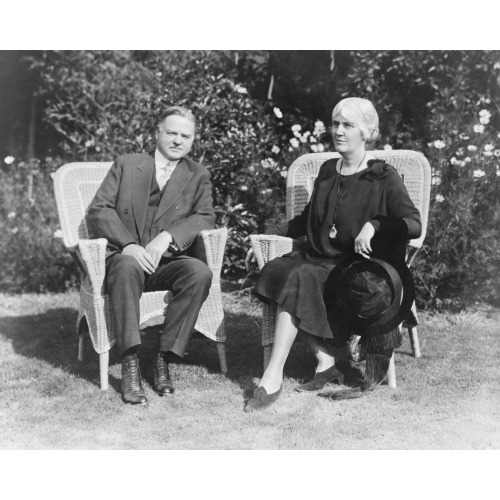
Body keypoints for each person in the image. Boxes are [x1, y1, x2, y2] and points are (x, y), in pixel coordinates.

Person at [245, 97, 422, 412]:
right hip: (318, 258)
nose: (338, 131)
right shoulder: (327, 170)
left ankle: (272, 376)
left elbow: (413, 223)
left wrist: (376, 225)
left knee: (296, 277)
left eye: (348, 125)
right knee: (277, 270)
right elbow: (308, 219)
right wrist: (271, 232)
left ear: (367, 132)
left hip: (353, 270)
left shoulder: (383, 176)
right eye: (335, 123)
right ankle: (325, 360)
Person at [86, 106, 216, 405]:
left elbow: (205, 217)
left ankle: (162, 357)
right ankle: (130, 362)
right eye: (171, 133)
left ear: (193, 139)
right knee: (127, 265)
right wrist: (129, 244)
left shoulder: (198, 175)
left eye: (186, 136)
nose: (177, 141)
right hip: (125, 259)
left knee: (199, 273)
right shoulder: (128, 165)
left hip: (165, 262)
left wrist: (168, 237)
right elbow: (98, 210)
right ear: (157, 132)